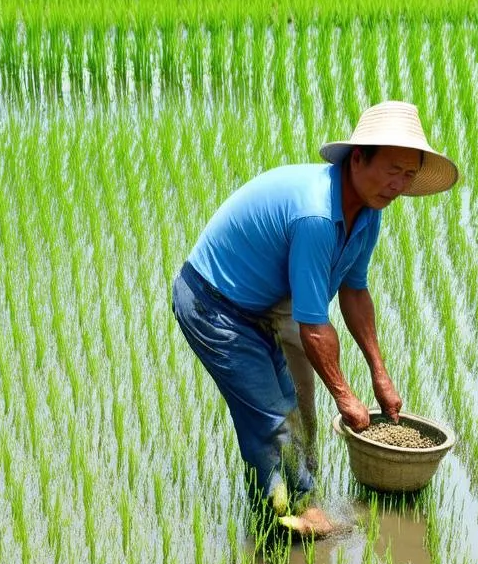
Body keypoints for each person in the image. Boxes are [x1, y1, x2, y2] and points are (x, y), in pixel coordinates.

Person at [171, 101, 458, 537]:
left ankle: (300, 505)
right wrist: (345, 395)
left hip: (257, 308)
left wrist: (380, 376)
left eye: (408, 175)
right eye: (392, 170)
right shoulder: (317, 215)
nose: (399, 185)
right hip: (214, 305)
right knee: (272, 420)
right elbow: (311, 322)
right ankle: (279, 527)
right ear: (358, 158)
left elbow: (355, 291)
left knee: (292, 411)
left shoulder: (369, 210)